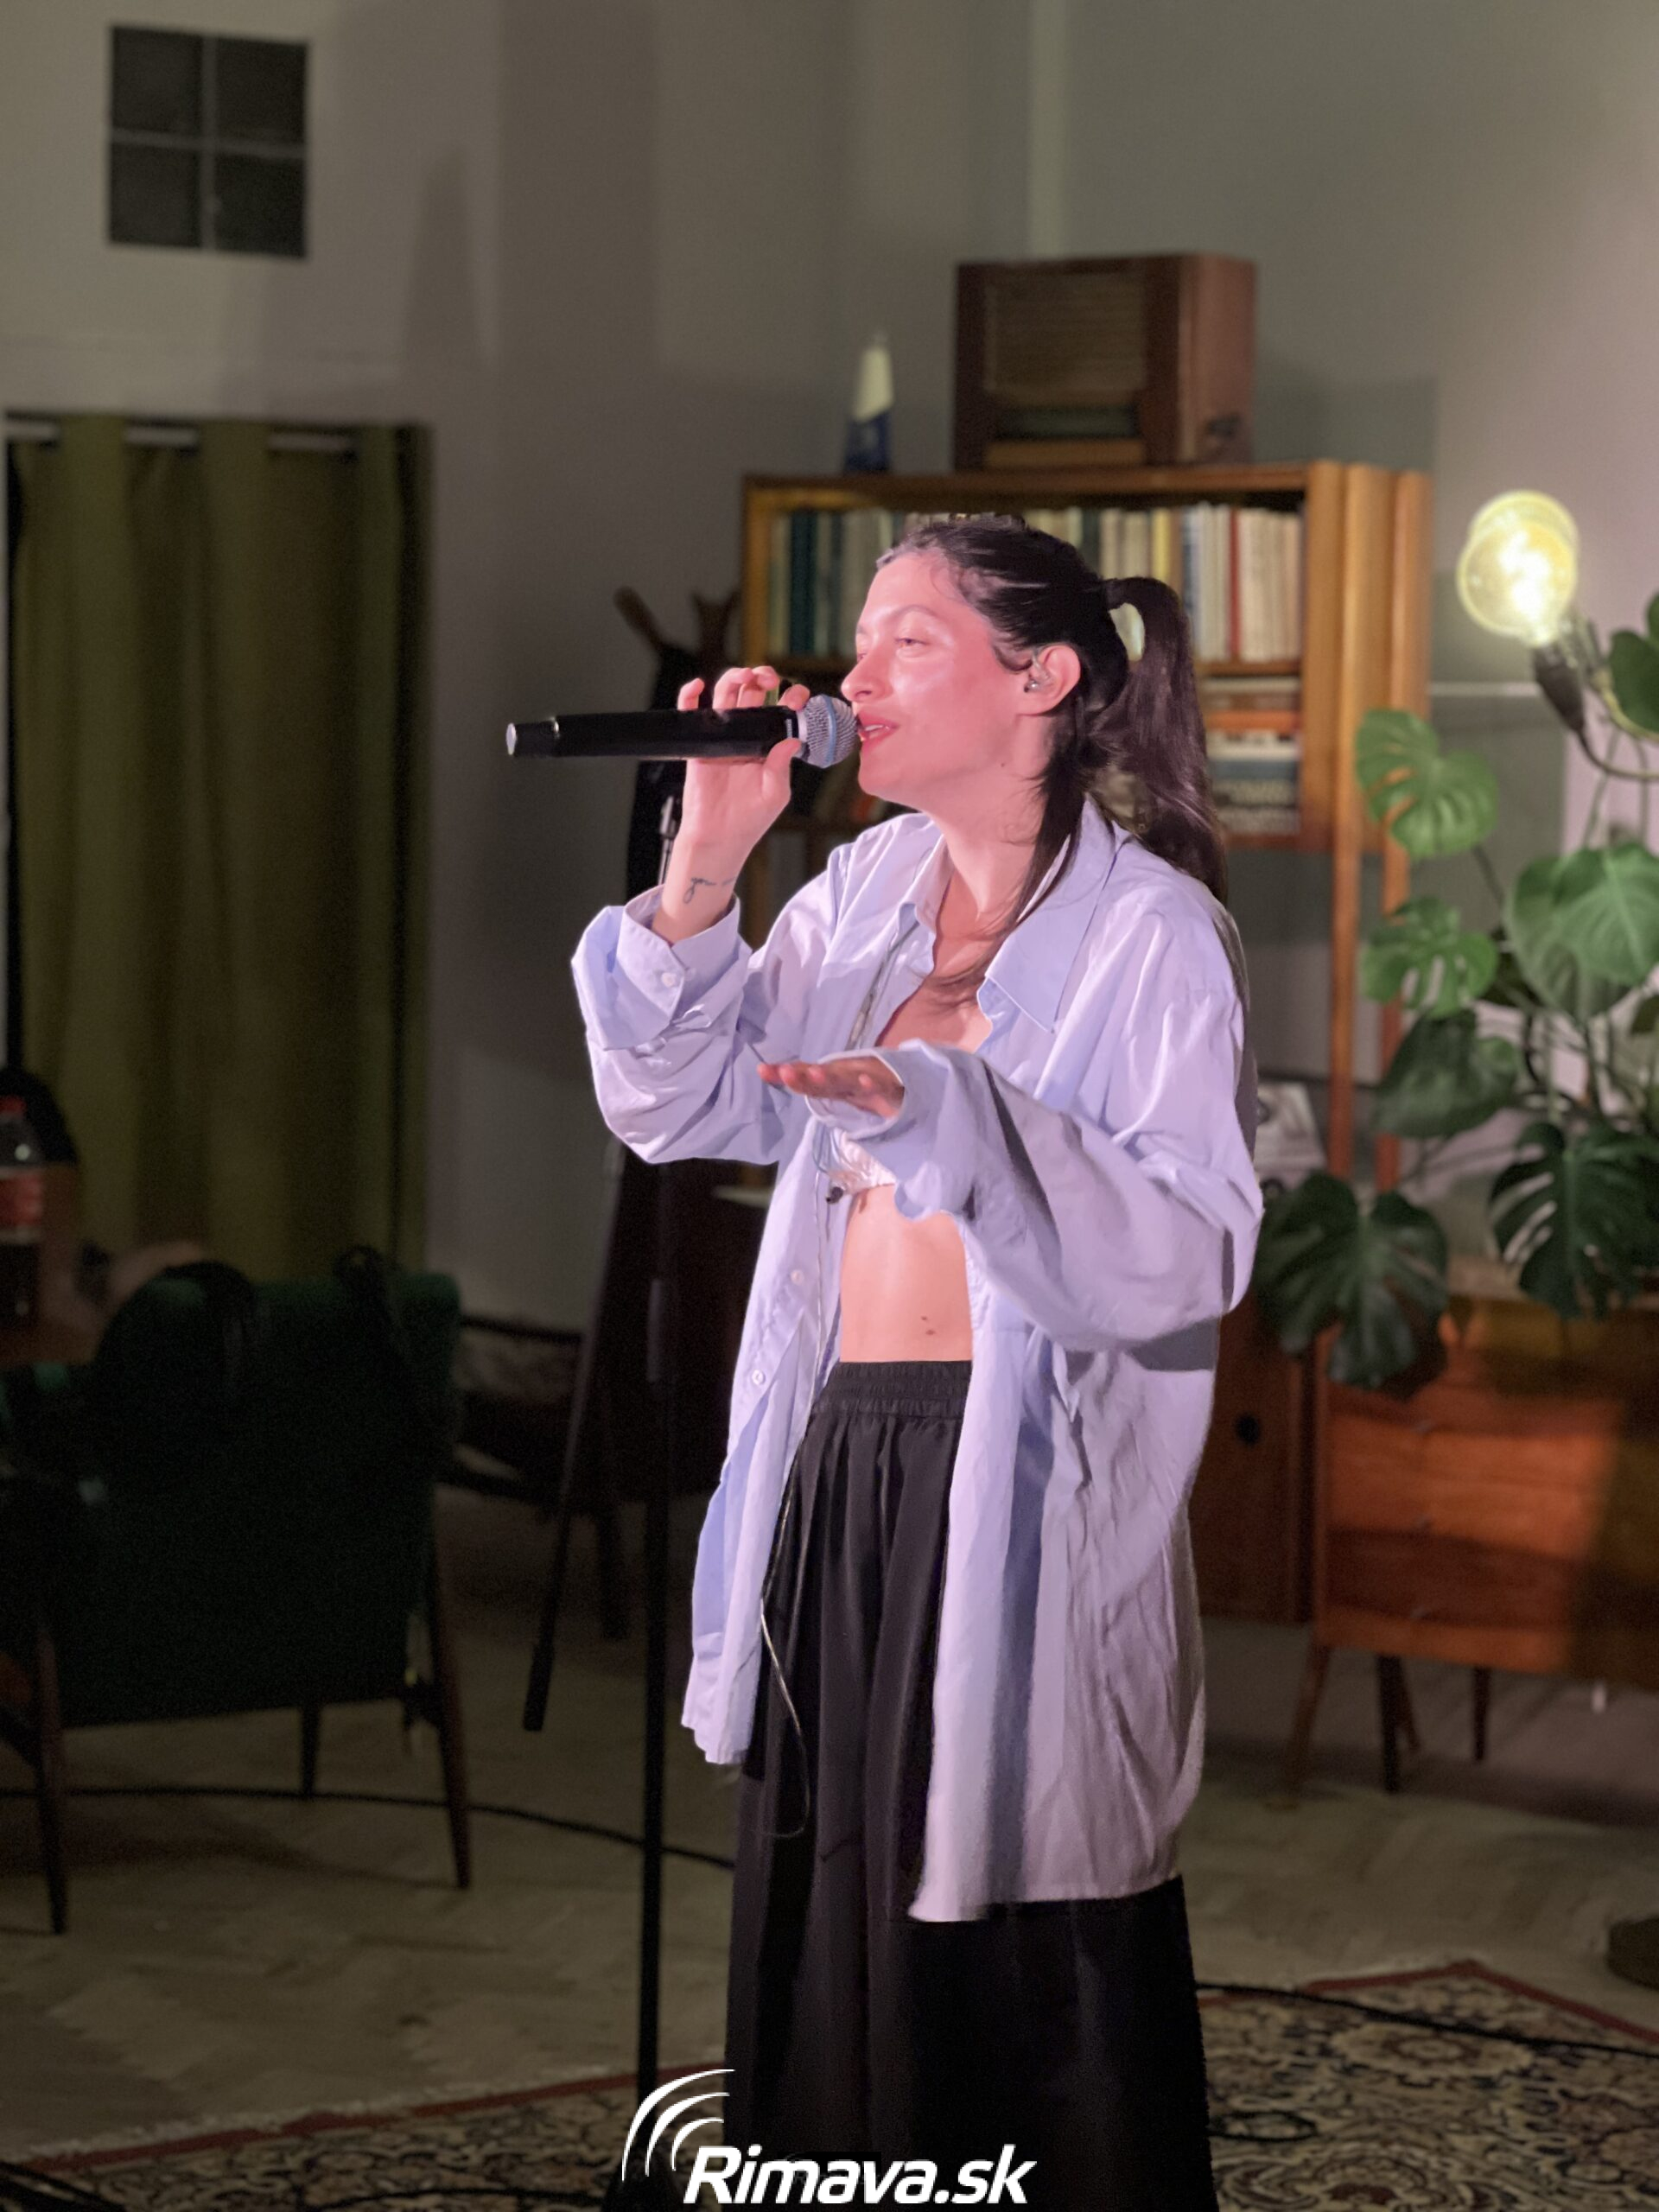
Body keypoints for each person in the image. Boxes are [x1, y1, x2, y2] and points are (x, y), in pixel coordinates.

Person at [572, 516, 1262, 2208]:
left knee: (1019, 1914)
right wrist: (708, 857)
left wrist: (952, 1110)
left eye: (909, 642)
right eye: (860, 642)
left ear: (1041, 679)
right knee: (840, 1894)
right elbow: (678, 1103)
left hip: (1014, 1476)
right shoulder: (862, 894)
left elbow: (1189, 1246)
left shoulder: (1154, 937)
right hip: (848, 1457)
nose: (856, 677)